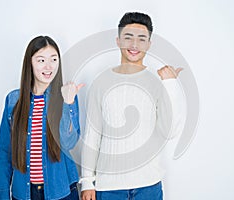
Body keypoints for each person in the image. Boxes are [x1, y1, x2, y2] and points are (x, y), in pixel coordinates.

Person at [79, 12, 186, 200]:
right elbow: (92, 135)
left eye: (141, 39)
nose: (134, 45)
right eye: (128, 38)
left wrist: (170, 84)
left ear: (149, 44)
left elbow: (170, 131)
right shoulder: (101, 82)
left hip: (149, 187)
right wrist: (87, 181)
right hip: (109, 189)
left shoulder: (157, 83)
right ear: (118, 40)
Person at [0, 35, 84, 200]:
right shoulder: (13, 100)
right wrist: (3, 195)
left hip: (61, 191)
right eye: (41, 60)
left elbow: (69, 142)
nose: (48, 66)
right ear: (30, 62)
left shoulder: (67, 96)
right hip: (24, 193)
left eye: (54, 59)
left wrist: (68, 103)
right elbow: (5, 153)